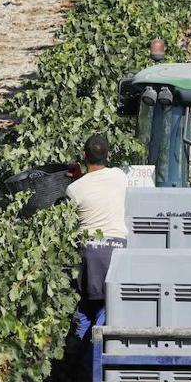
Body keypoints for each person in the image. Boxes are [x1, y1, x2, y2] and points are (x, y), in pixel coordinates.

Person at [65, 134, 128, 346]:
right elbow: (100, 183)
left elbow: (86, 189)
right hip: (116, 250)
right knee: (107, 308)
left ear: (84, 155)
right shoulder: (120, 176)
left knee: (86, 306)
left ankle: (76, 363)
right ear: (108, 155)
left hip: (89, 251)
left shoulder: (73, 189)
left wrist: (76, 176)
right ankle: (94, 360)